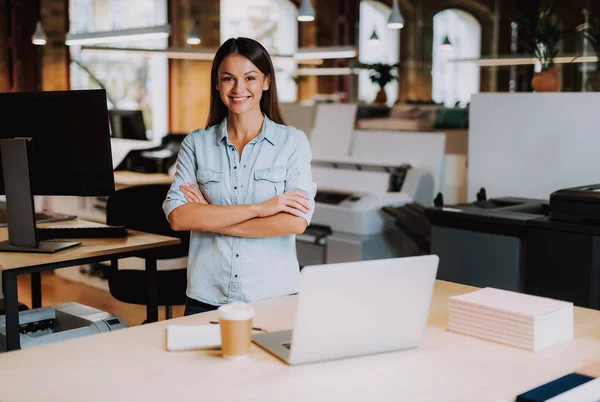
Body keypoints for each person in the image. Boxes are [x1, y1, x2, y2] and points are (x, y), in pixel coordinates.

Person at [162, 37, 317, 316]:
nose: (239, 88)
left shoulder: (292, 142)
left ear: (266, 82)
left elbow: (295, 222)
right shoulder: (196, 144)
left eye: (250, 78)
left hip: (273, 297)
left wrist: (210, 216)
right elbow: (179, 217)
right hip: (206, 297)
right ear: (217, 83)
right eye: (228, 79)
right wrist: (259, 210)